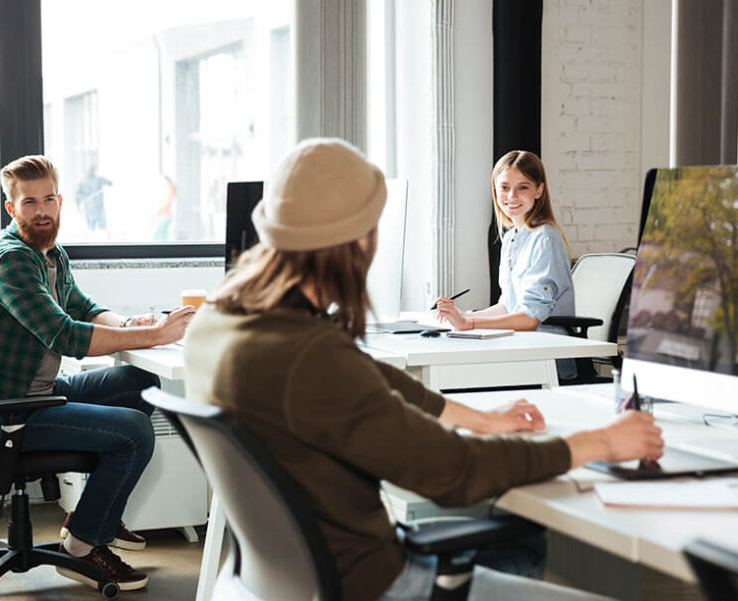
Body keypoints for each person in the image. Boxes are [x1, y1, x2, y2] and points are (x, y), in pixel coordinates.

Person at [182, 138, 663, 601]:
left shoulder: (219, 322)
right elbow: (457, 472)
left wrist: (479, 419)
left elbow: (367, 374)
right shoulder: (311, 357)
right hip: (373, 583)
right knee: (521, 537)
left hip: (277, 582)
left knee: (519, 541)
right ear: (359, 239)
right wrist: (599, 443)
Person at [0, 155, 194, 592]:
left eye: (48, 199)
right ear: (11, 208)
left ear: (61, 201)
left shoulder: (49, 253)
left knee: (139, 384)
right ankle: (82, 547)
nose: (42, 211)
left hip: (36, 392)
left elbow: (83, 308)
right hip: (6, 412)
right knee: (134, 432)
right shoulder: (11, 261)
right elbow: (64, 334)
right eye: (29, 202)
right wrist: (155, 335)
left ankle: (89, 519)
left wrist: (131, 324)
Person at [435, 150, 578, 379]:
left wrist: (469, 323)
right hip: (519, 347)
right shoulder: (512, 238)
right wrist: (462, 315)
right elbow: (508, 306)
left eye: (523, 187)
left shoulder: (545, 239)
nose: (511, 196)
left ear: (539, 190)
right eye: (504, 187)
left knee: (455, 376)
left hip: (544, 357)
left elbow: (529, 319)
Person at [75, 163, 112, 233]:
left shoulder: (99, 179)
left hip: (98, 208)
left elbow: (109, 183)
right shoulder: (83, 181)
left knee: (101, 228)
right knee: (91, 229)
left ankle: (99, 234)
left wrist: (109, 183)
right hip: (89, 209)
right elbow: (78, 194)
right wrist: (80, 203)